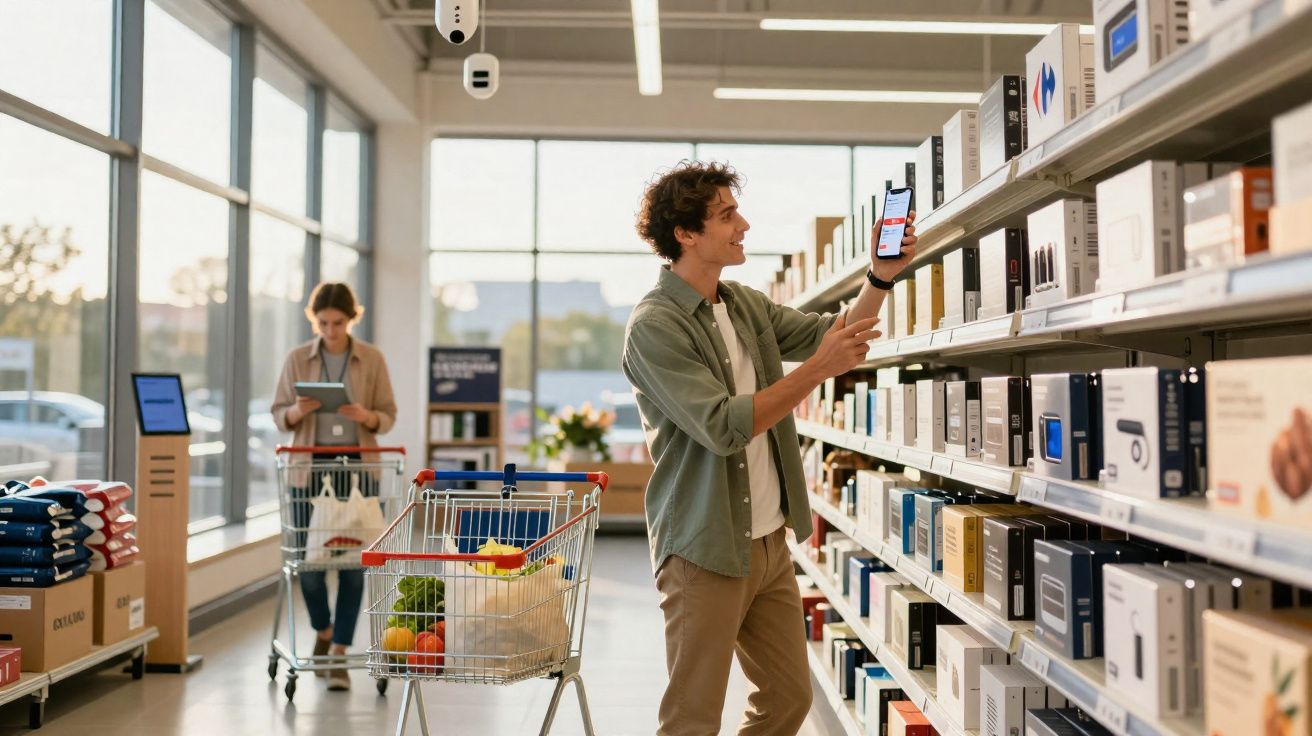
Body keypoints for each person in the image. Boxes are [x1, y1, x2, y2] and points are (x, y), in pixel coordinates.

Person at [622, 161, 917, 735]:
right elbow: (722, 425)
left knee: (787, 699)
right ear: (685, 233)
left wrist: (880, 278)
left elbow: (835, 335)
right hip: (704, 547)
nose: (744, 225)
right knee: (692, 718)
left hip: (767, 542)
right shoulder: (654, 326)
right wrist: (818, 370)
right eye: (726, 216)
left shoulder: (744, 304)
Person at [271, 282, 397, 692]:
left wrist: (366, 416)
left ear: (352, 319)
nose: (330, 331)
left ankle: (339, 651)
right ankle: (323, 631)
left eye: (338, 323)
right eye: (323, 323)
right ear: (314, 320)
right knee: (309, 566)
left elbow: (388, 415)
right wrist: (296, 410)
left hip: (358, 470)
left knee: (353, 567)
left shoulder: (372, 359)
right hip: (308, 469)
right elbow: (278, 414)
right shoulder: (297, 359)